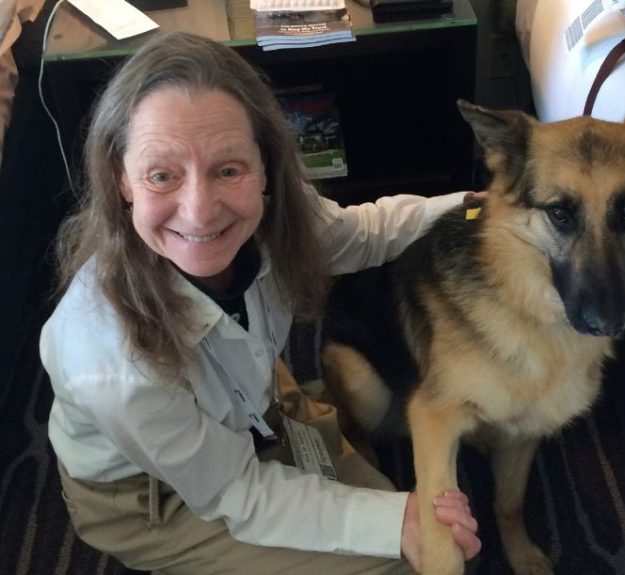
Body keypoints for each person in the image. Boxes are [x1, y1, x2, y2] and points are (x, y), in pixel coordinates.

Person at [41, 31, 481, 574]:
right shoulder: (114, 370)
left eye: (228, 169)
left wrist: (477, 210)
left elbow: (366, 232)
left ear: (267, 167)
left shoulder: (273, 219)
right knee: (409, 558)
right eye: (162, 175)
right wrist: (399, 522)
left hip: (255, 400)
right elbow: (238, 492)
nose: (200, 212)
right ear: (121, 179)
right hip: (156, 494)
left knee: (399, 517)